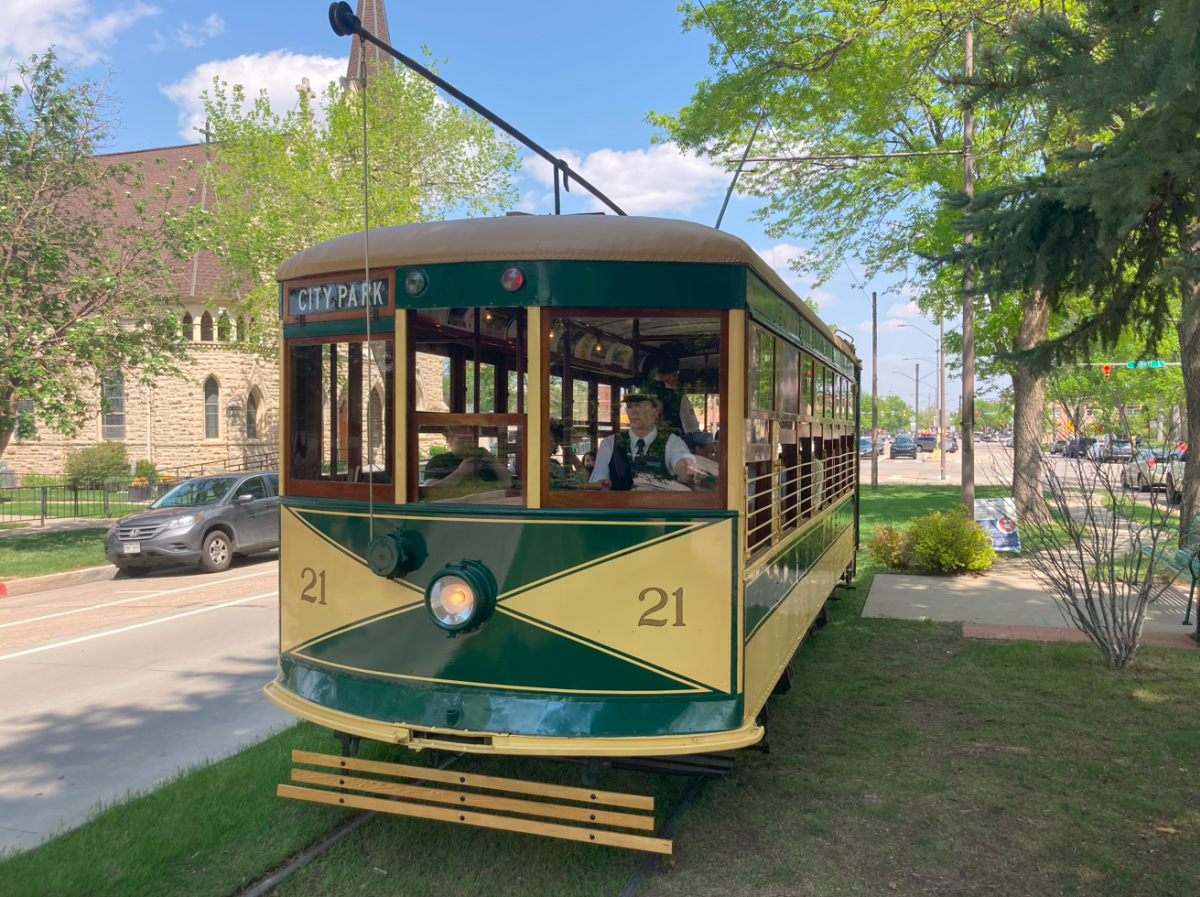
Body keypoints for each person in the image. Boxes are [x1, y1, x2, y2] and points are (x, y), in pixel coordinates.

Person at [589, 393, 701, 491]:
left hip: (659, 511)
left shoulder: (671, 442)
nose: (634, 411)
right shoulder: (609, 443)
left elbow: (681, 459)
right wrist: (602, 485)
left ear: (656, 411)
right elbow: (599, 478)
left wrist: (687, 470)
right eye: (629, 407)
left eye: (640, 406)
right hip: (621, 510)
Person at [423, 426, 512, 490]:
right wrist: (461, 472)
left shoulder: (484, 460)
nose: (468, 442)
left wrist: (492, 460)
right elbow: (430, 491)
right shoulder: (439, 461)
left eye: (471, 439)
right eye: (462, 439)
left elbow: (512, 484)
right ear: (449, 439)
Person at [642, 359, 700, 434]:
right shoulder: (679, 397)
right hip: (673, 443)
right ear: (675, 377)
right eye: (676, 375)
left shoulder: (642, 394)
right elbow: (691, 428)